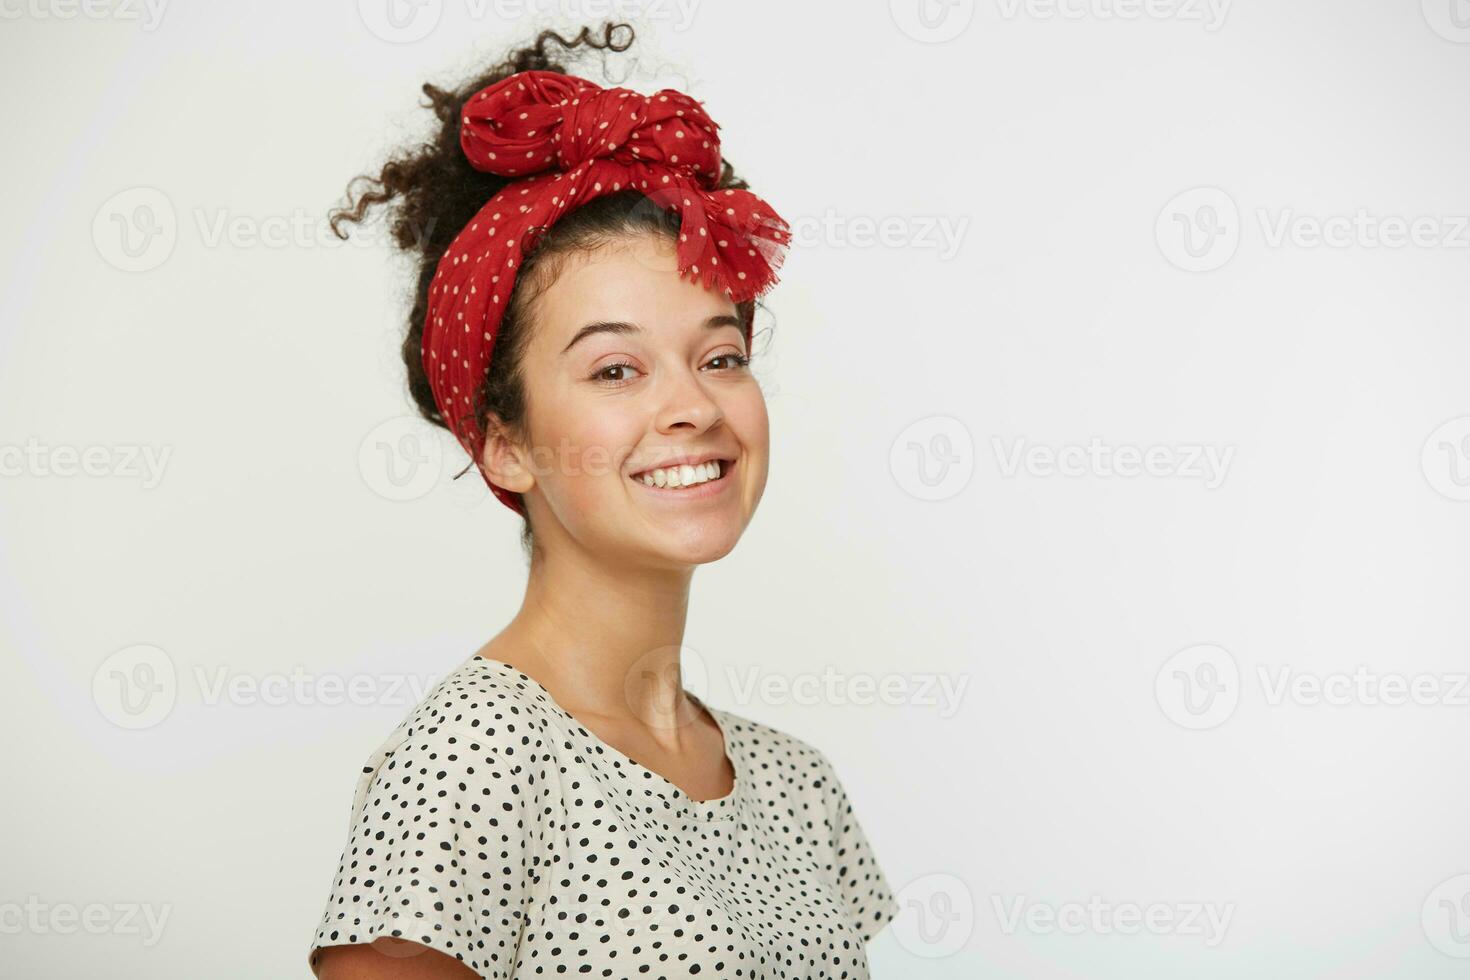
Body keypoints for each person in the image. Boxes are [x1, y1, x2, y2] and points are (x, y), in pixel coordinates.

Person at [307, 23, 898, 979]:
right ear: (505, 446)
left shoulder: (798, 786)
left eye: (721, 357)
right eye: (616, 369)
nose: (692, 407)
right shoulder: (474, 760)